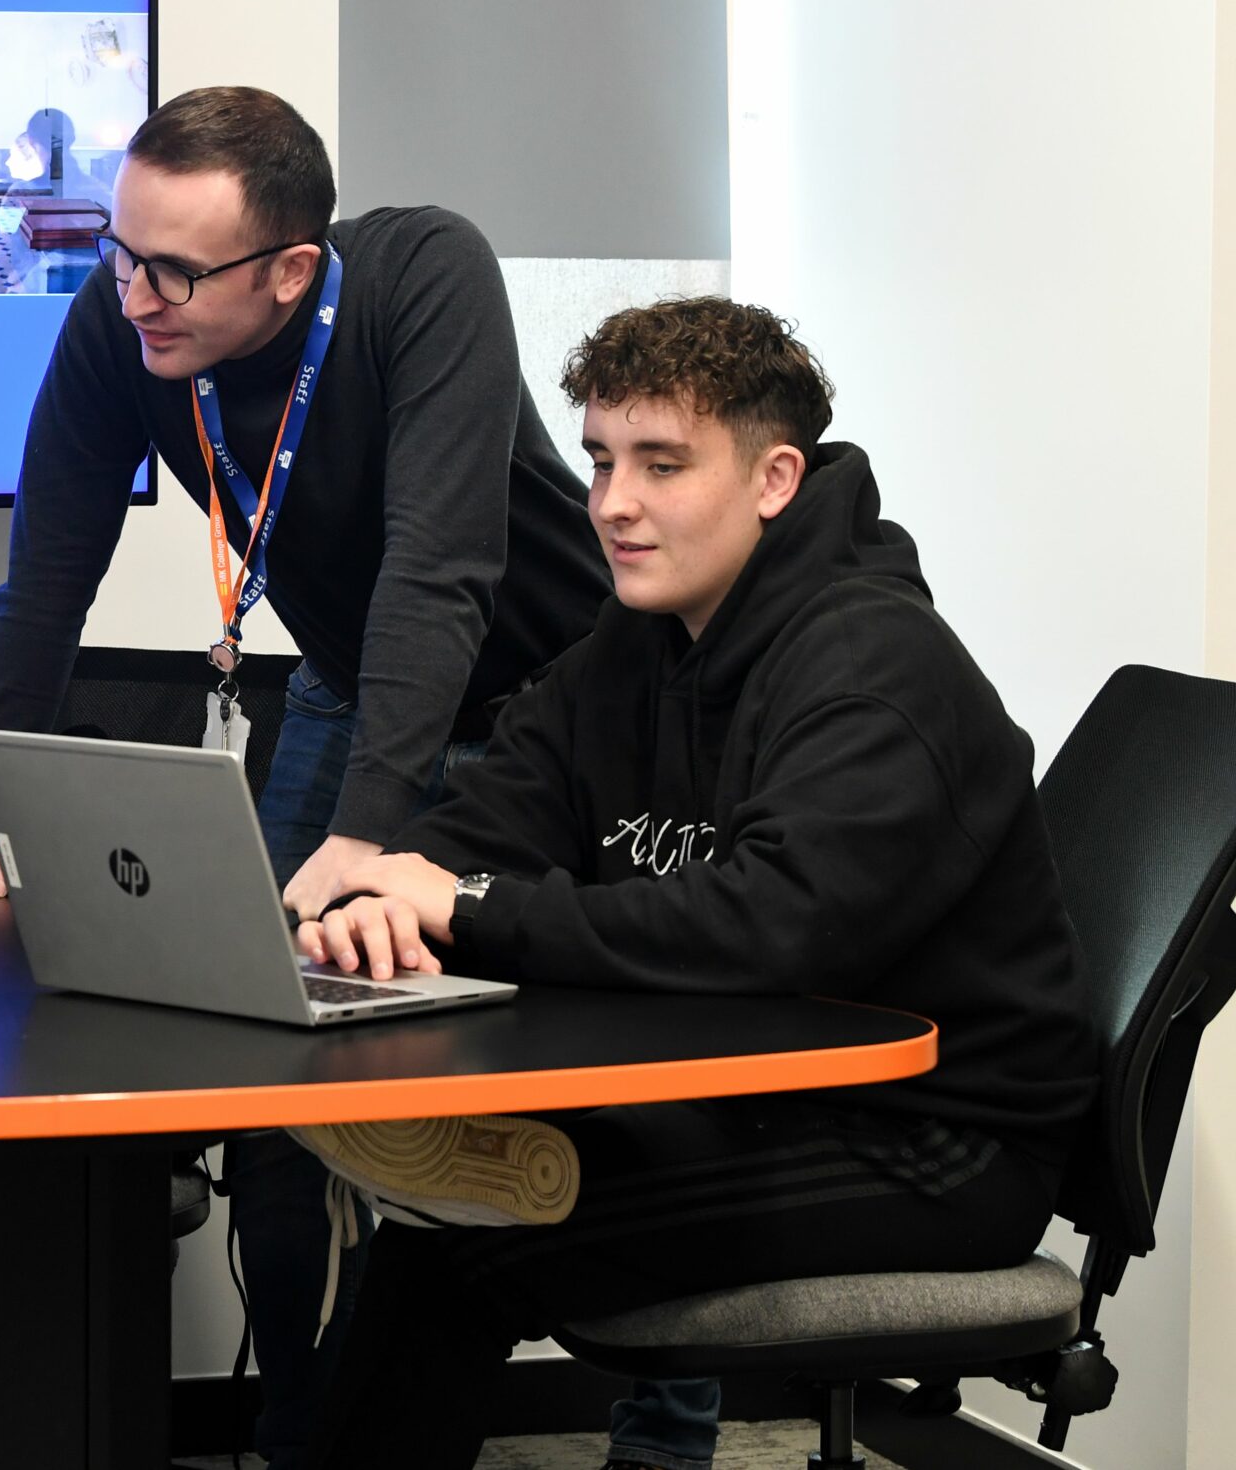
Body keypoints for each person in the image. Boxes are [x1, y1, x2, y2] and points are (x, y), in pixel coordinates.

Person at [0, 85, 620, 1467]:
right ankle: (302, 1429)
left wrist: (370, 836)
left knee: (602, 1075)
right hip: (356, 683)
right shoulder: (119, 324)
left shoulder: (423, 280)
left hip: (571, 707)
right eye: (118, 247)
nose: (133, 292)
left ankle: (668, 1437)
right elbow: (42, 581)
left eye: (174, 268)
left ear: (288, 272)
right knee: (269, 1059)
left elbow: (438, 579)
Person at [295, 299, 1097, 1470]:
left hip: (933, 1138)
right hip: (756, 1084)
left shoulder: (877, 670)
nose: (612, 505)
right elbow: (493, 820)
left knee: (461, 1254)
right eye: (602, 461)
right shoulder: (638, 643)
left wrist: (466, 909)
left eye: (661, 465)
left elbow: (769, 929)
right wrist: (386, 896)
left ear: (773, 479)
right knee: (441, 1230)